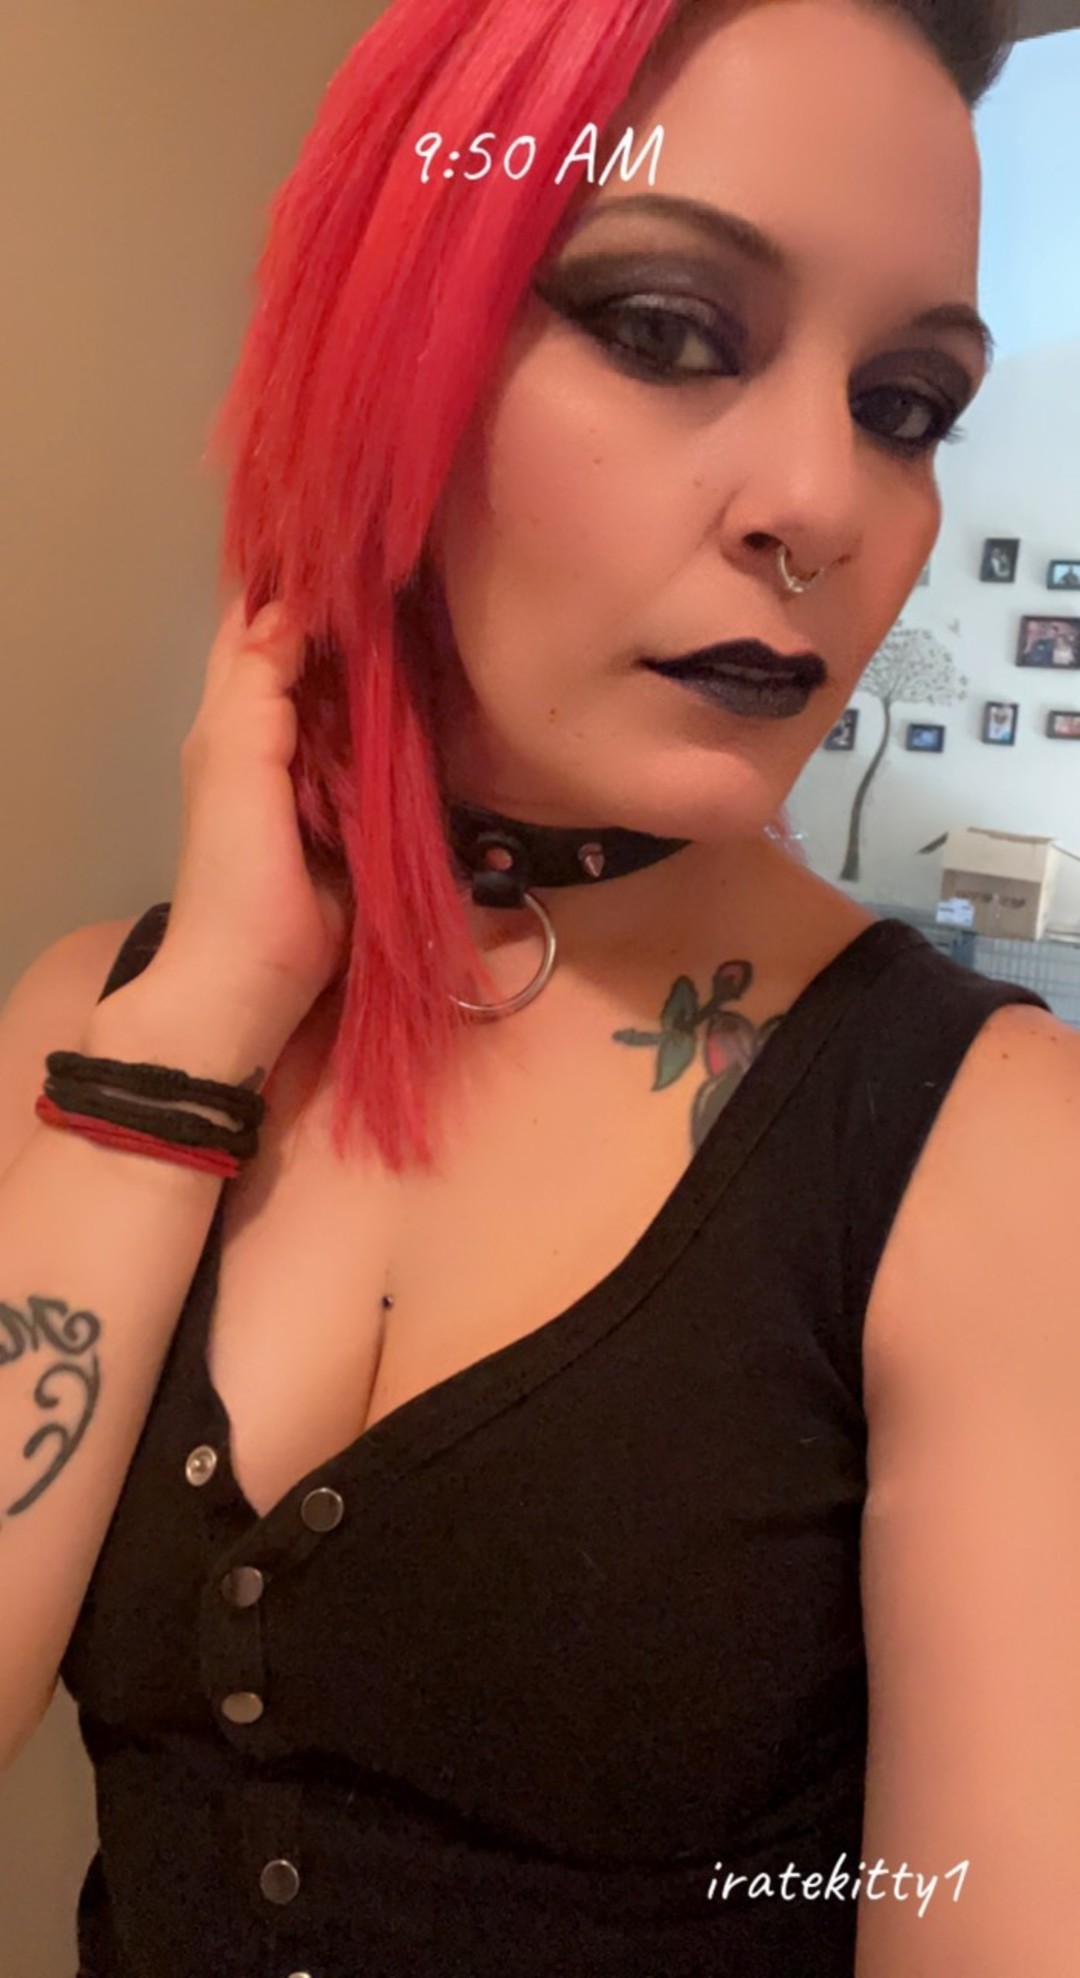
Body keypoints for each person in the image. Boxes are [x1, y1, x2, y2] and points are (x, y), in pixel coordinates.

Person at [1, 0, 1078, 1973]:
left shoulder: (984, 1150)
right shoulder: (103, 1016)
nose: (824, 502)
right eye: (667, 328)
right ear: (379, 347)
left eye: (905, 402)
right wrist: (191, 1034)